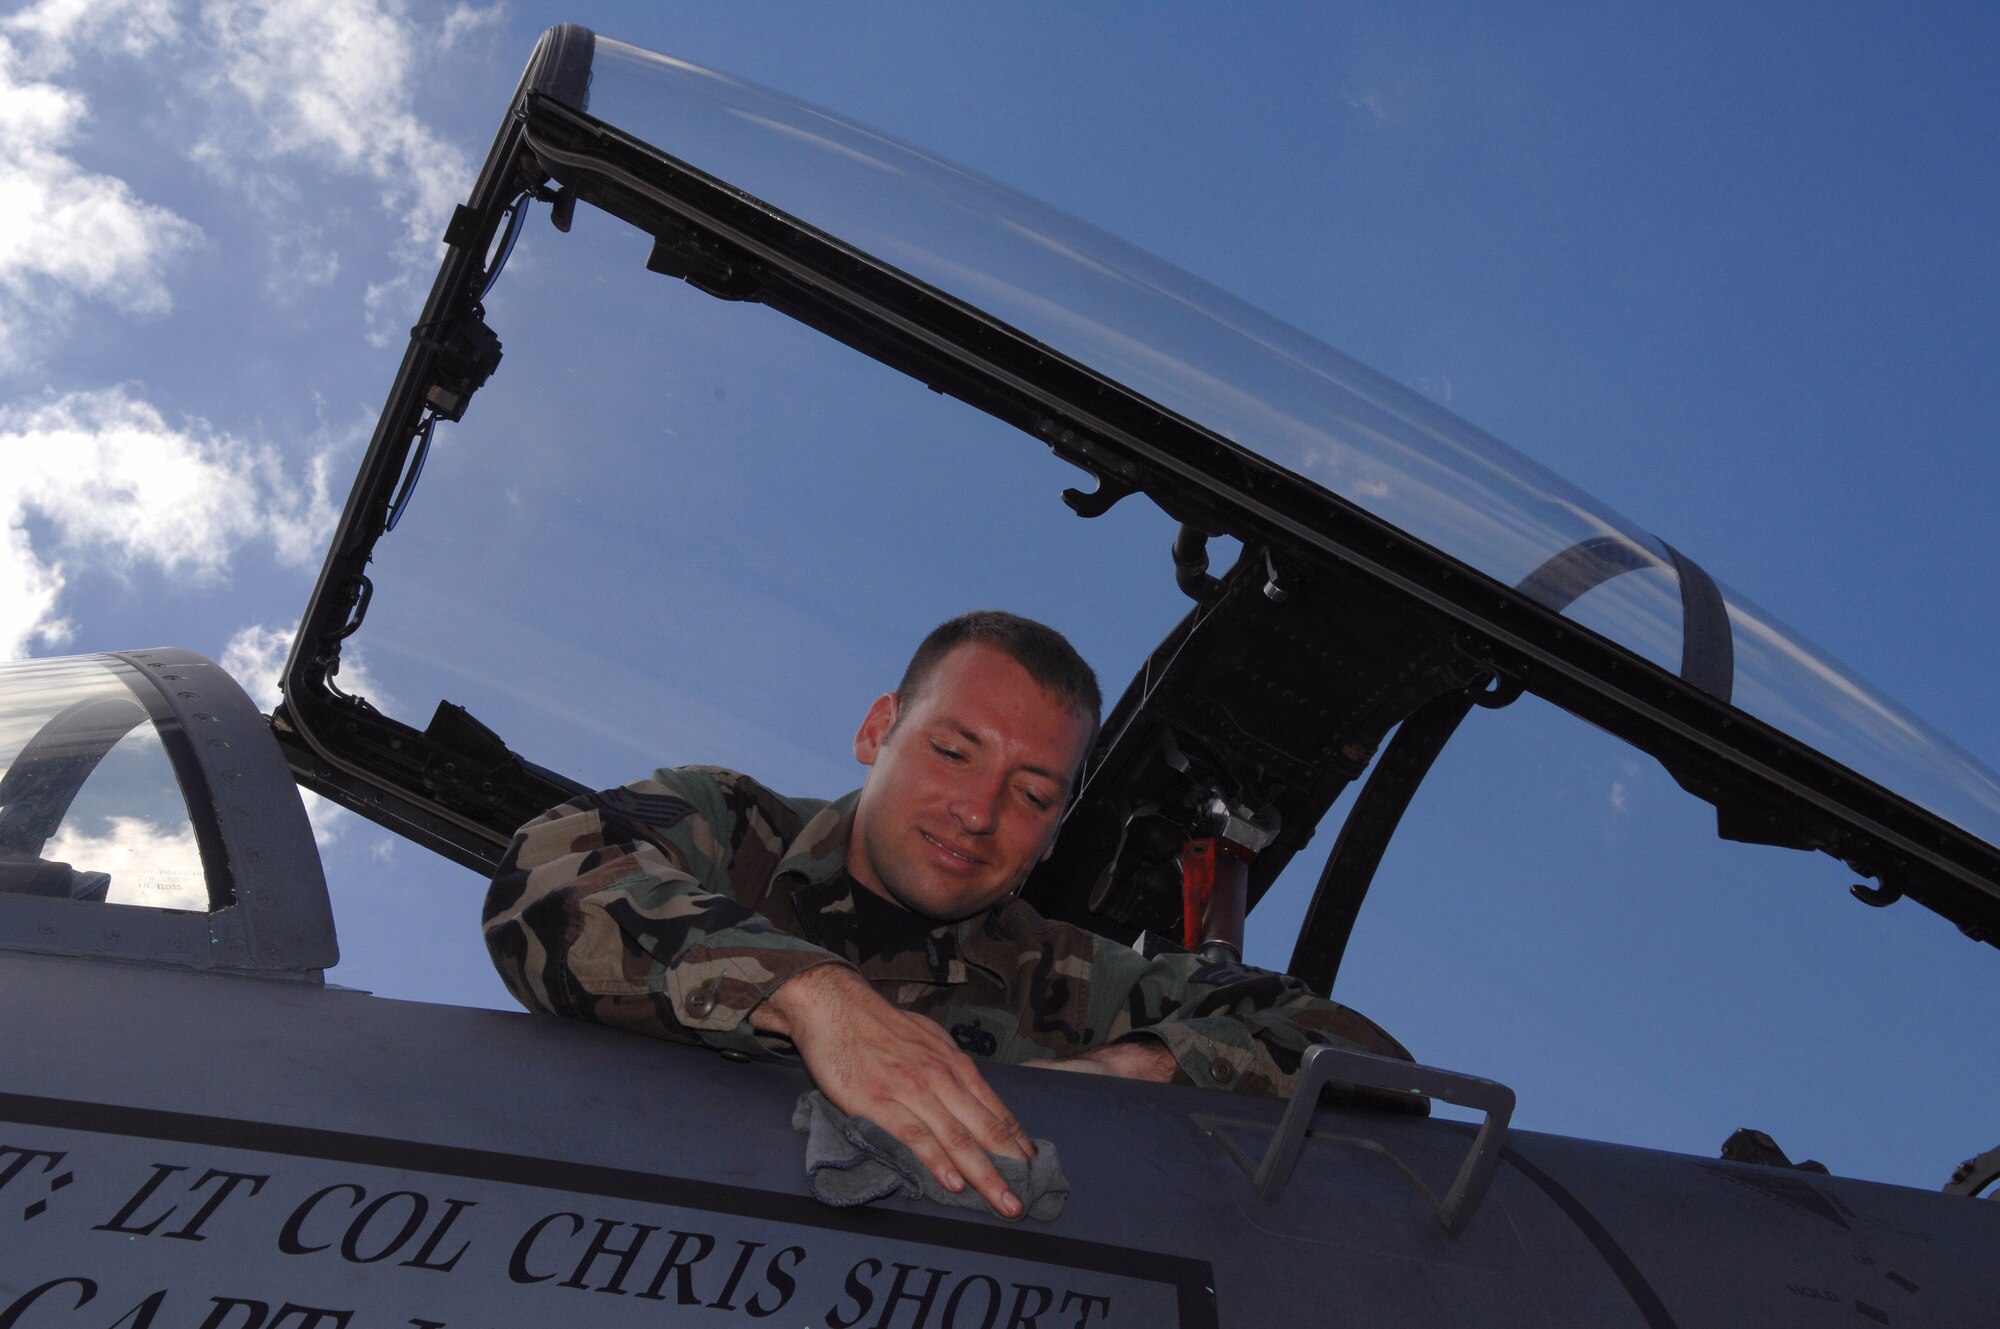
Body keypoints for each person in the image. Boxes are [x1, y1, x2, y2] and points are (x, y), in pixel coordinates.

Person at [484, 611, 1411, 1219]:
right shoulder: (730, 827)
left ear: (1052, 835)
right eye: (954, 751)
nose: (979, 812)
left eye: (1033, 792)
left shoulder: (1072, 981)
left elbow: (1369, 1060)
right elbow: (550, 875)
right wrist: (813, 996)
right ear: (877, 731)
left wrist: (1147, 1065)